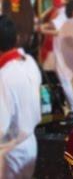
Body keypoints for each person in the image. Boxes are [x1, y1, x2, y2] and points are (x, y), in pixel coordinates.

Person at [0, 15, 41, 178]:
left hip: (9, 152)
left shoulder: (4, 77)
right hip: (29, 143)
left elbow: (1, 127)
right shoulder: (28, 61)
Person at [39, 0, 73, 120]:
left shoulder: (64, 11)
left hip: (64, 51)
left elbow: (56, 28)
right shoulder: (65, 10)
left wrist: (42, 29)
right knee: (67, 80)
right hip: (66, 50)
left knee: (65, 80)